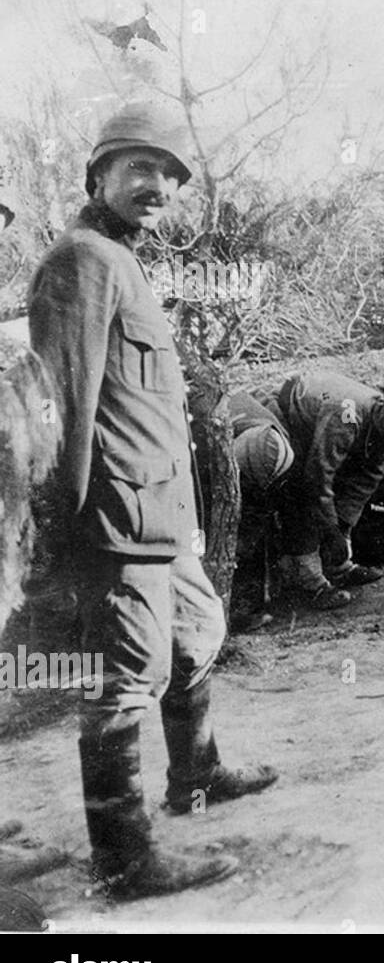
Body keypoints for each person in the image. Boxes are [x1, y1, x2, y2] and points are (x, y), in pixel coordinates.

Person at [27, 101, 277, 899]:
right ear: (97, 174)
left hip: (163, 514)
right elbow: (63, 407)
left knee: (199, 632)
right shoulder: (81, 261)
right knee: (125, 678)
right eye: (140, 168)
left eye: (169, 175)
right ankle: (126, 861)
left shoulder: (122, 261)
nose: (158, 185)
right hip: (114, 518)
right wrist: (63, 535)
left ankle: (195, 775)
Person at [273, 370, 384, 605]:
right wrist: (332, 533)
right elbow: (317, 480)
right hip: (288, 414)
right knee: (300, 489)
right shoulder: (347, 416)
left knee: (351, 480)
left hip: (323, 426)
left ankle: (338, 567)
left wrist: (344, 527)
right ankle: (310, 582)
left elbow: (367, 478)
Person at [228, 391, 296, 629]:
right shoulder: (209, 436)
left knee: (254, 533)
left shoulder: (276, 442)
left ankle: (249, 606)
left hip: (253, 466)